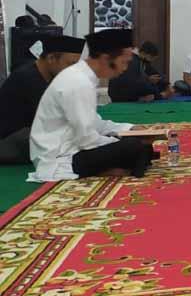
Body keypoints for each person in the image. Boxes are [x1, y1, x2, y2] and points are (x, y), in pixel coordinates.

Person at [28, 29, 158, 182]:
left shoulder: (84, 78)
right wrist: (119, 141)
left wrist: (128, 129)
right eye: (123, 62)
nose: (124, 69)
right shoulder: (78, 82)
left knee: (141, 147)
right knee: (134, 147)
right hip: (60, 157)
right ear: (105, 59)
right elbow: (86, 138)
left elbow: (94, 123)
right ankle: (107, 168)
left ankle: (114, 166)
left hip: (73, 147)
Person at [0, 35, 84, 164]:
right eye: (71, 64)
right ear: (51, 59)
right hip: (10, 143)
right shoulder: (27, 79)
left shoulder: (47, 76)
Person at [107, 42, 173, 103]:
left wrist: (167, 85)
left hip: (127, 88)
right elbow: (137, 83)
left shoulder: (141, 59)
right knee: (151, 92)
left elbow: (154, 72)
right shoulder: (132, 61)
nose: (151, 61)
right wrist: (160, 95)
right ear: (144, 53)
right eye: (151, 58)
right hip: (119, 94)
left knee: (154, 87)